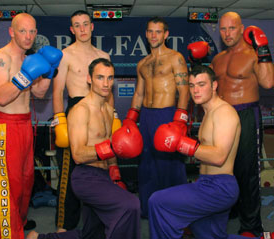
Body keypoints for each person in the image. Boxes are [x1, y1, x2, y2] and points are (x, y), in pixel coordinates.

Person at [149, 65, 274, 239]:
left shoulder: (224, 113)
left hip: (219, 187)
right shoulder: (207, 113)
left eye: (201, 84)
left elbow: (219, 156)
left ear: (214, 85)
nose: (195, 91)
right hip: (206, 183)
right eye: (192, 86)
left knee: (158, 202)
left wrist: (183, 144)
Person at [27, 58, 142, 239]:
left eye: (110, 78)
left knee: (93, 234)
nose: (106, 83)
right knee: (130, 205)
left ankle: (38, 238)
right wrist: (111, 147)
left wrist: (115, 172)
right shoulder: (81, 110)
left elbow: (109, 145)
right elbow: (78, 154)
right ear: (89, 78)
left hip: (104, 176)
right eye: (100, 77)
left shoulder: (107, 109)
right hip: (86, 177)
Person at [0, 13, 62, 239]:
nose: (28, 36)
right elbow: (1, 96)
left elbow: (38, 92)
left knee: (25, 182)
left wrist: (49, 70)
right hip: (5, 127)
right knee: (7, 187)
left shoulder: (29, 58)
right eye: (23, 31)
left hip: (25, 125)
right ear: (12, 32)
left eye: (32, 31)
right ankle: (9, 234)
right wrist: (26, 74)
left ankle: (18, 222)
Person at [209, 11, 274, 237]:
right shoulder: (217, 59)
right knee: (222, 169)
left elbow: (267, 82)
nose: (227, 33)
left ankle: (251, 225)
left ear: (241, 28)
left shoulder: (252, 55)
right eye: (223, 29)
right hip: (222, 116)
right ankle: (231, 210)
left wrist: (263, 50)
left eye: (232, 28)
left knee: (247, 173)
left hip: (246, 115)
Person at [52, 10, 113, 232]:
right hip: (75, 113)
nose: (82, 29)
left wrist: (113, 118)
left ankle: (96, 225)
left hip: (100, 111)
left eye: (85, 24)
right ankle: (64, 228)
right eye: (77, 25)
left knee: (101, 168)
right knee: (68, 175)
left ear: (92, 26)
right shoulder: (65, 55)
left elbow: (109, 92)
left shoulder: (104, 56)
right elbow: (58, 92)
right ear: (72, 30)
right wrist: (60, 123)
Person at [124, 16, 189, 218]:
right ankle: (149, 209)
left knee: (172, 166)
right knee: (146, 164)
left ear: (166, 34)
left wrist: (179, 121)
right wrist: (130, 120)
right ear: (146, 34)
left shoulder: (175, 58)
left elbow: (184, 91)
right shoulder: (142, 63)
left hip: (168, 114)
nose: (153, 35)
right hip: (147, 117)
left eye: (158, 31)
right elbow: (139, 93)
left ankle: (178, 211)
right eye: (150, 31)